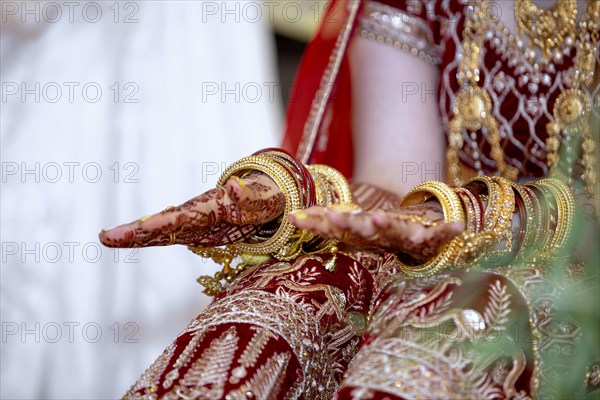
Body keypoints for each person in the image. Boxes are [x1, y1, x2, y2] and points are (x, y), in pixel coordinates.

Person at [99, 0, 600, 398]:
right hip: (437, 232)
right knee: (285, 291)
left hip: (581, 268)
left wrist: (480, 218)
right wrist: (293, 199)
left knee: (447, 328)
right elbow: (396, 179)